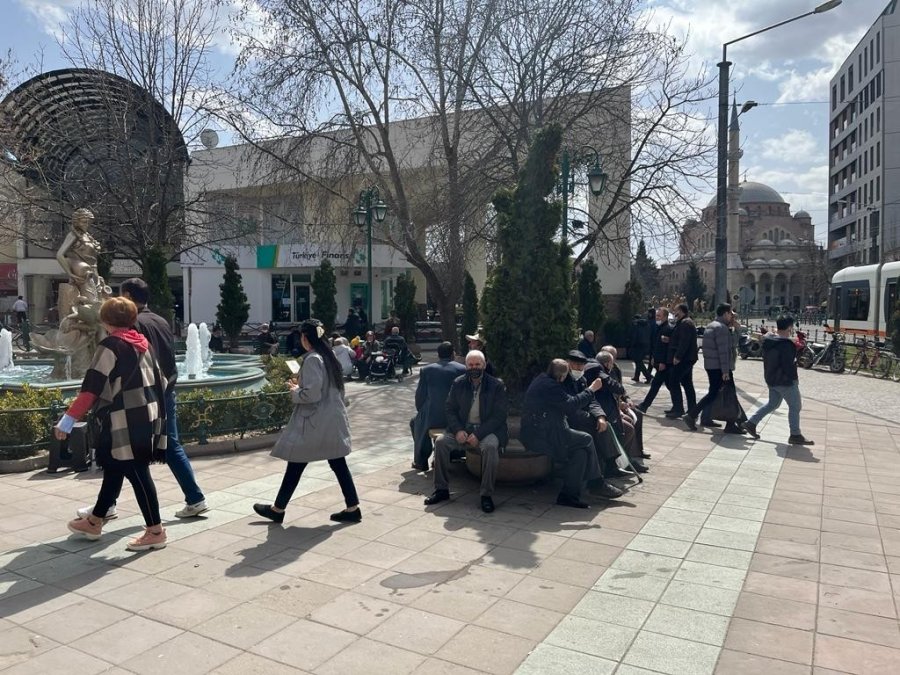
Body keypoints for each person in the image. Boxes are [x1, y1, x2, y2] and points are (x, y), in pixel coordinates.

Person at [60, 297, 168, 551]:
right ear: (132, 319)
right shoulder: (143, 344)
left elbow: (92, 387)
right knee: (114, 467)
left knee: (137, 471)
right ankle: (95, 520)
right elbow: (161, 381)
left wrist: (68, 419)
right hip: (146, 415)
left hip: (122, 420)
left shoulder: (111, 345)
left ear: (105, 321)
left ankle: (155, 531)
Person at [254, 319, 362, 523]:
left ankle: (278, 510)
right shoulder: (329, 357)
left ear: (305, 338)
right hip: (332, 418)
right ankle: (352, 507)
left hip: (314, 421)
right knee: (337, 463)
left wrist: (295, 391)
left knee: (296, 462)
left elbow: (312, 395)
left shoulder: (313, 359)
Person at [424, 350, 508, 513]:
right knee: (441, 442)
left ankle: (486, 495)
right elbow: (449, 409)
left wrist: (479, 434)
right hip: (462, 428)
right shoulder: (458, 383)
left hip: (487, 430)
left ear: (484, 365)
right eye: (471, 365)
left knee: (490, 448)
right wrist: (457, 430)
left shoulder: (496, 385)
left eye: (477, 364)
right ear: (466, 366)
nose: (474, 367)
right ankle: (441, 490)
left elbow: (499, 416)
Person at [521, 359, 605, 508]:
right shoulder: (549, 386)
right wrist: (591, 389)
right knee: (586, 439)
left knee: (581, 453)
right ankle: (596, 482)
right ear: (561, 376)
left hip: (550, 430)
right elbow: (570, 405)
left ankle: (568, 496)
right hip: (541, 436)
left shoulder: (544, 379)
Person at [743, 315, 814, 445]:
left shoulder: (769, 340)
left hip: (771, 378)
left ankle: (751, 423)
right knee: (795, 407)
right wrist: (794, 378)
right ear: (789, 327)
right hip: (785, 381)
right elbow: (788, 364)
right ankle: (795, 434)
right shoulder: (785, 345)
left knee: (773, 404)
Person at [562, 350, 624, 498]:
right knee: (591, 435)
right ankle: (601, 477)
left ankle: (609, 466)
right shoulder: (562, 379)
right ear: (568, 363)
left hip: (581, 416)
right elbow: (569, 405)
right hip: (568, 419)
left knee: (603, 425)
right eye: (575, 364)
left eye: (580, 365)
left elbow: (592, 401)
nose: (578, 368)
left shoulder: (582, 379)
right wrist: (592, 416)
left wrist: (600, 416)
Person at [589, 351, 649, 472]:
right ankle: (619, 461)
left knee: (637, 415)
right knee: (627, 427)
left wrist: (626, 399)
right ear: (607, 362)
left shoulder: (614, 370)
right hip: (607, 411)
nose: (614, 363)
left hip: (615, 406)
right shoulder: (597, 370)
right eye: (612, 360)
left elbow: (621, 389)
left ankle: (632, 455)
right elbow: (613, 388)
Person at [410, 341, 466, 471]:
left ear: (438, 355)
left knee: (415, 422)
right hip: (456, 417)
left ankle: (421, 460)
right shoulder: (462, 369)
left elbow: (420, 397)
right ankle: (451, 455)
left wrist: (422, 412)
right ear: (453, 354)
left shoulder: (427, 370)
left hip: (433, 416)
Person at [683, 303, 735, 431]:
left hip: (711, 365)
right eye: (730, 313)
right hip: (720, 367)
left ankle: (695, 415)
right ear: (725, 314)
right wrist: (725, 371)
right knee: (729, 394)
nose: (732, 316)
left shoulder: (711, 325)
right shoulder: (721, 328)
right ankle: (730, 424)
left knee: (714, 393)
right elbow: (723, 351)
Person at [636, 307, 674, 413]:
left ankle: (644, 405)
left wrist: (662, 362)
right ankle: (678, 406)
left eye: (659, 316)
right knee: (671, 386)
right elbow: (656, 345)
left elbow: (665, 348)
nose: (656, 318)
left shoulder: (667, 329)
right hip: (659, 361)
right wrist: (653, 357)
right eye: (656, 315)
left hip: (664, 364)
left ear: (665, 317)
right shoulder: (659, 328)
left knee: (656, 385)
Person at [666, 303, 698, 419]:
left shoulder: (685, 323)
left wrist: (678, 357)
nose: (675, 313)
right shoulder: (683, 323)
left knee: (673, 382)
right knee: (687, 384)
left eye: (676, 311)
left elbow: (684, 342)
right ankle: (692, 410)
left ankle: (678, 409)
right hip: (687, 358)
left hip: (684, 359)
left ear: (682, 311)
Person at [628, 314, 652, 383]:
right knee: (638, 361)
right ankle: (636, 376)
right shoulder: (647, 325)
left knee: (638, 362)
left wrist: (631, 345)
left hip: (637, 346)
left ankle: (648, 376)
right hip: (645, 345)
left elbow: (634, 336)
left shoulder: (636, 325)